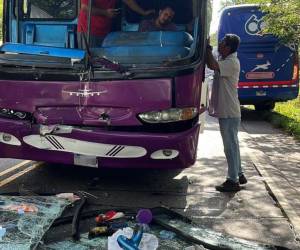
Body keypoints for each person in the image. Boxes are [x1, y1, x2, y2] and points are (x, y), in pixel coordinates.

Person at [206, 34, 247, 192]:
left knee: (229, 146)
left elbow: (211, 64)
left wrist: (208, 49)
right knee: (234, 144)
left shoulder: (231, 62)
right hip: (230, 111)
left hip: (229, 111)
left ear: (228, 47)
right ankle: (239, 173)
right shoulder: (227, 59)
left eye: (222, 43)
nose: (219, 46)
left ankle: (232, 181)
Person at [77, 0, 155, 48]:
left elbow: (129, 1)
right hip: (88, 30)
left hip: (105, 31)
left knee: (103, 61)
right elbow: (85, 7)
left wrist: (143, 12)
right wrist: (105, 12)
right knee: (90, 61)